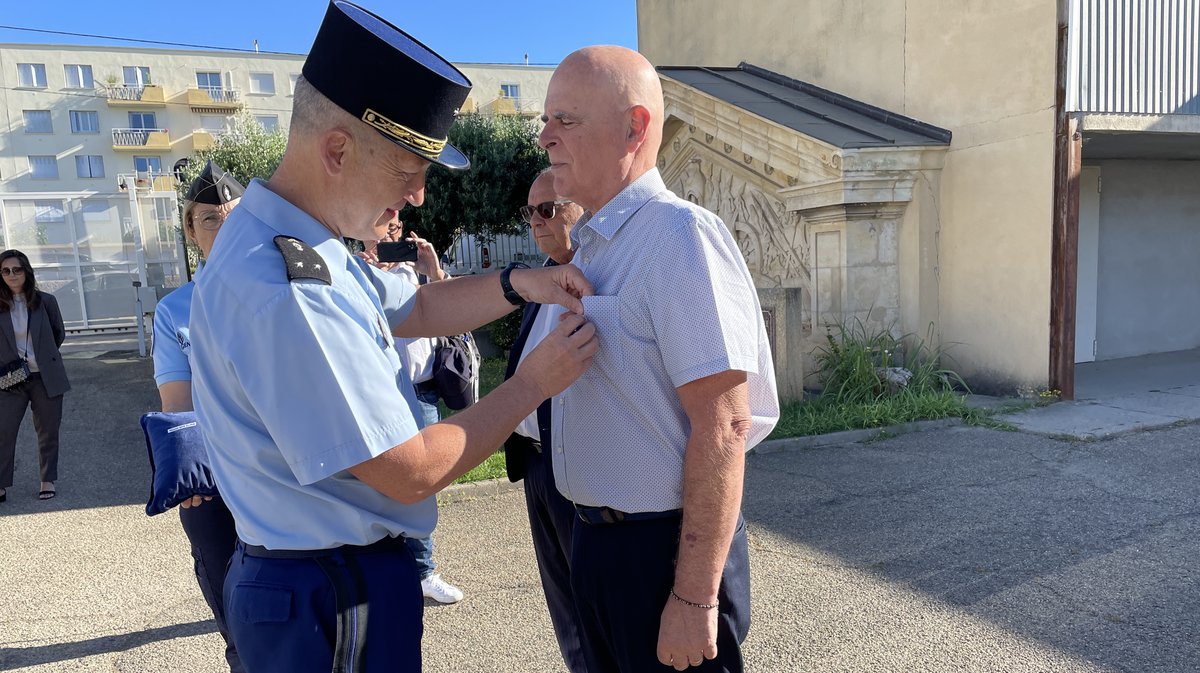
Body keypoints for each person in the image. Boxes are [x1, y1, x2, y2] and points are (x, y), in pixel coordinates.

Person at [186, 3, 597, 672]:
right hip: (331, 593)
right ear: (339, 150)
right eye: (409, 173)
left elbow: (418, 304)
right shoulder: (287, 286)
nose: (419, 196)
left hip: (323, 582)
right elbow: (408, 470)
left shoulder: (299, 240)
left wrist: (524, 282)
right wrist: (531, 385)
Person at [537, 46, 780, 672]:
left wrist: (694, 596)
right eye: (547, 121)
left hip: (659, 556)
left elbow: (725, 423)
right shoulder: (594, 244)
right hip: (595, 544)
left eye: (565, 120)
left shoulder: (678, 239)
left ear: (634, 128)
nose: (545, 137)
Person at [150, 161, 245, 672]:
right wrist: (189, 465)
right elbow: (177, 397)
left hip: (282, 467)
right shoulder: (174, 310)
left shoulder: (283, 289)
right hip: (213, 476)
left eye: (233, 216)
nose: (222, 227)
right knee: (228, 587)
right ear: (191, 231)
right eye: (209, 219)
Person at [502, 171, 588, 672]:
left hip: (576, 467)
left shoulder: (598, 278)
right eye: (529, 212)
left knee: (590, 601)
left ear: (583, 209)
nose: (535, 222)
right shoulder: (544, 278)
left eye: (548, 209)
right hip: (537, 467)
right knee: (562, 604)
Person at [359, 213, 464, 605]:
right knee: (379, 484)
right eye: (385, 221)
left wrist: (433, 270)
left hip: (421, 392)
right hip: (380, 394)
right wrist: (367, 272)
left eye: (398, 225)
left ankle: (423, 571)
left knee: (421, 484)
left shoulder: (414, 270)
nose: (393, 229)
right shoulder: (354, 270)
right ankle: (395, 570)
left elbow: (453, 306)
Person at [0, 249, 68, 504]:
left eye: (16, 269)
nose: (11, 275)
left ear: (26, 272)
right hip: (10, 379)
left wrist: (42, 357)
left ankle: (47, 479)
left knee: (48, 431)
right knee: (3, 431)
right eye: (5, 271)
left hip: (45, 378)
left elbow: (57, 334)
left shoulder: (45, 301)